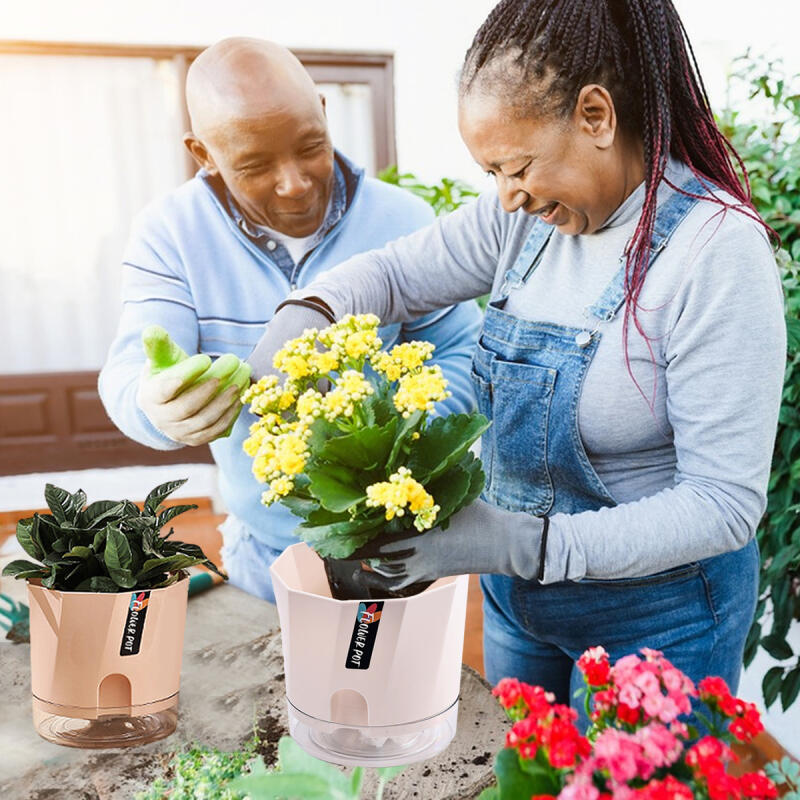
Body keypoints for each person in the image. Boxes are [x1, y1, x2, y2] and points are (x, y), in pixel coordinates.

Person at [248, 0, 786, 720]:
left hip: (660, 618)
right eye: (492, 171)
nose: (506, 194)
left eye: (518, 165)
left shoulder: (714, 253)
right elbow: (393, 277)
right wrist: (307, 313)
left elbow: (722, 507)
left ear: (595, 116)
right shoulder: (521, 224)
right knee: (522, 779)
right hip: (520, 602)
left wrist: (521, 543)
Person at [98, 38, 483, 604]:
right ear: (203, 153)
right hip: (265, 562)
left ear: (325, 113)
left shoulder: (404, 219)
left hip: (401, 553)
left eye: (311, 147)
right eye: (255, 165)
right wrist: (156, 406)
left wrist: (388, 434)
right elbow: (130, 371)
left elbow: (465, 355)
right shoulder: (171, 234)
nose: (295, 183)